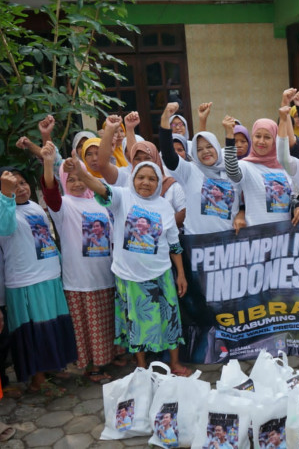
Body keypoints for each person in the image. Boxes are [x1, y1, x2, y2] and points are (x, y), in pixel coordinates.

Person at [64, 158, 192, 376]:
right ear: (133, 179)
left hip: (161, 275)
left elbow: (174, 245)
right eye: (141, 177)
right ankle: (141, 367)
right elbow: (101, 188)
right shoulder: (123, 197)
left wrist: (180, 274)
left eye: (152, 179)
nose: (146, 182)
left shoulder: (165, 208)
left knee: (169, 319)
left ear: (159, 183)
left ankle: (175, 363)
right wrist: (82, 173)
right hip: (130, 277)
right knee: (136, 324)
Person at [39, 142, 117, 383]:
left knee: (107, 326)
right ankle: (92, 368)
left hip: (106, 276)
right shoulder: (63, 206)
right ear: (64, 182)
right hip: (80, 282)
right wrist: (50, 163)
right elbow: (51, 194)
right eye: (70, 179)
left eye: (80, 177)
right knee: (88, 330)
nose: (77, 183)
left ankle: (109, 360)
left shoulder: (100, 202)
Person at [0, 167, 78, 396]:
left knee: (52, 327)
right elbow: (4, 228)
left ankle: (52, 367)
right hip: (25, 281)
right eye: (14, 186)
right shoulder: (6, 210)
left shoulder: (34, 207)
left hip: (49, 276)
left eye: (23, 183)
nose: (21, 188)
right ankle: (37, 380)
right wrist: (5, 196)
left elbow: (48, 239)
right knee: (34, 332)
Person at [160, 103, 242, 234]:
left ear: (217, 147)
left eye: (209, 147)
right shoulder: (190, 171)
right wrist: (165, 120)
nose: (205, 152)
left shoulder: (231, 172)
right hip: (197, 245)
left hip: (229, 246)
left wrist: (229, 133)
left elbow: (232, 162)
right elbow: (169, 156)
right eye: (199, 149)